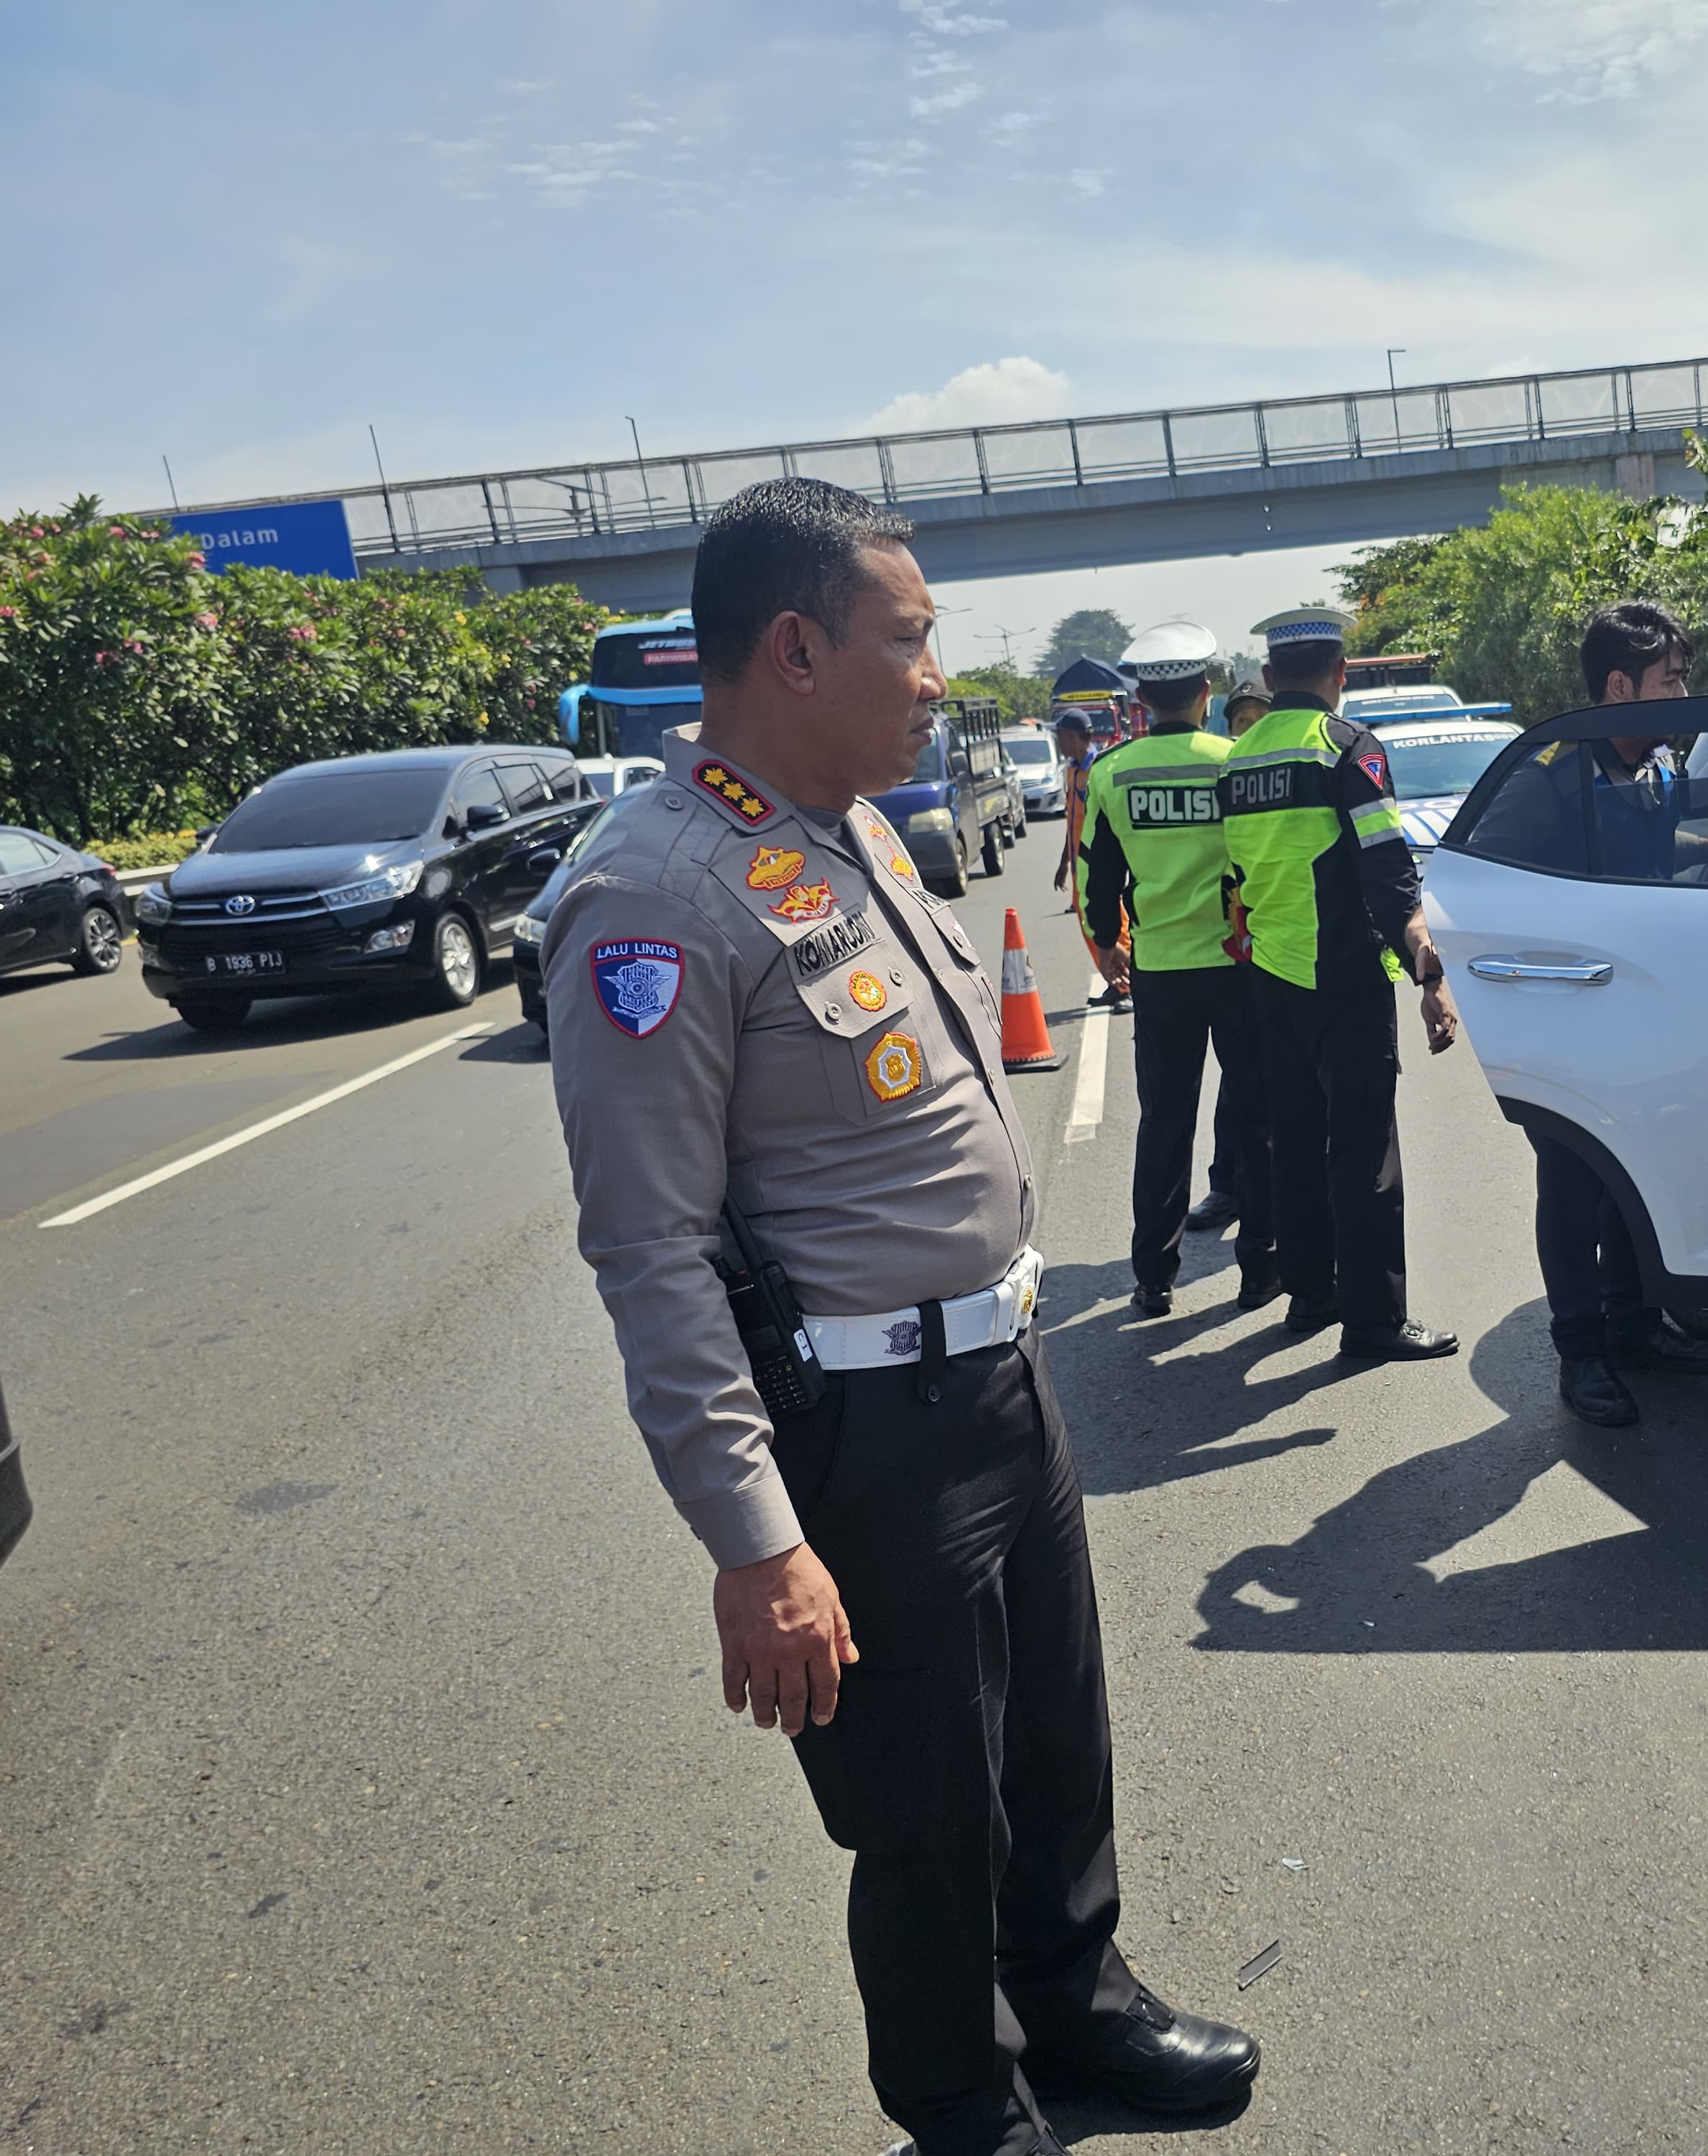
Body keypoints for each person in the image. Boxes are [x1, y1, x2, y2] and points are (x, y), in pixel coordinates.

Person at [545, 478, 1257, 2156]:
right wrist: (755, 1538)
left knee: (1055, 1746)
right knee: (929, 1813)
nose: (941, 674)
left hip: (1003, 1377)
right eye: (912, 635)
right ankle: (958, 2099)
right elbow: (649, 1251)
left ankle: (1073, 2004)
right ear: (794, 648)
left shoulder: (845, 819)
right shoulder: (653, 894)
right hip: (867, 1435)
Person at [1481, 600, 1708, 1426]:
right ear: (1620, 687)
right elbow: (1486, 882)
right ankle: (1580, 1353)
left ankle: (1634, 1326)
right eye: (1672, 680)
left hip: (1643, 1014)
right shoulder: (1548, 778)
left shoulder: (1653, 767)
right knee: (1576, 1184)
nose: (1684, 692)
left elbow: (1652, 852)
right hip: (1567, 1018)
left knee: (1638, 1175)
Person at [1220, 605, 1461, 1360]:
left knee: (1295, 1141)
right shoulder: (1345, 748)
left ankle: (1311, 1294)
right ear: (1340, 675)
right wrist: (1428, 970)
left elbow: (1237, 876)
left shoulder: (1239, 759)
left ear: (1267, 679)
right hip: (1342, 974)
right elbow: (1387, 871)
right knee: (1363, 1153)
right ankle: (1374, 1322)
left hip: (1272, 975)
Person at [1080, 619, 1279, 1319]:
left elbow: (1094, 875)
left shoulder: (1110, 773)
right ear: (1205, 690)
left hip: (1160, 973)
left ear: (1143, 698)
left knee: (1164, 1124)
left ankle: (1153, 1279)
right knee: (1256, 1119)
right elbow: (1265, 860)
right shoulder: (1236, 760)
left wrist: (1106, 945)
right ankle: (1261, 1270)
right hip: (1239, 966)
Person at [1186, 658, 1275, 1238]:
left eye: (1257, 718)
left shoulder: (1280, 776)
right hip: (1230, 947)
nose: (1247, 730)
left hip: (1278, 947)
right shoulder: (1222, 775)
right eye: (1239, 719)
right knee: (1240, 1080)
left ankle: (1272, 1197)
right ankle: (1227, 1187)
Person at [1049, 709, 1127, 1010]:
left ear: (1072, 736)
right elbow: (1073, 820)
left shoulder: (1098, 769)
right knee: (1089, 926)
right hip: (1079, 863)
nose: (1059, 743)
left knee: (1112, 923)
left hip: (1098, 863)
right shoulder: (1073, 771)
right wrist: (1064, 862)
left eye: (1060, 737)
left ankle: (1127, 986)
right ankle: (1114, 983)